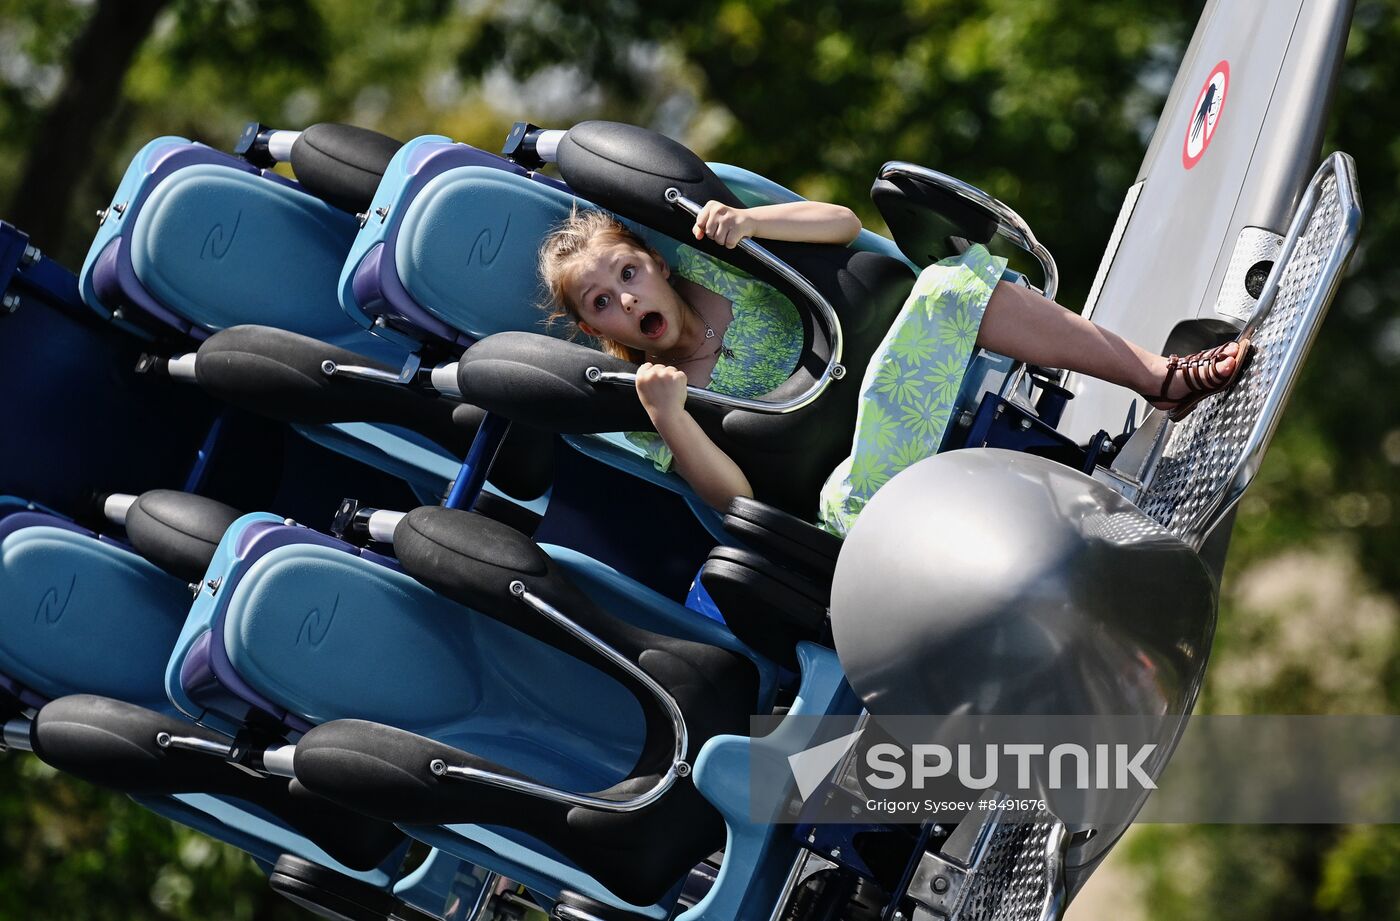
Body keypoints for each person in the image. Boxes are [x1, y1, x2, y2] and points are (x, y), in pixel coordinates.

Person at [537, 202, 1249, 534]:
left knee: (946, 286)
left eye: (628, 273)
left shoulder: (711, 255)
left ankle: (1160, 377)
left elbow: (841, 224)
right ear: (594, 327)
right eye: (604, 301)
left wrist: (755, 225)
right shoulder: (643, 398)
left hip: (894, 372)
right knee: (847, 507)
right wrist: (668, 416)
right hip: (850, 472)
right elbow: (734, 501)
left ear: (654, 261)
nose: (628, 299)